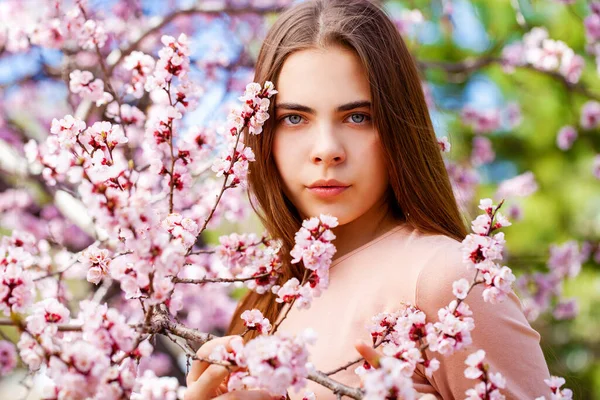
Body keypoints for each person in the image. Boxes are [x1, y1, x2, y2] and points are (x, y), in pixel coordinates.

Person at [185, 0, 552, 399]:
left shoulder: (444, 279)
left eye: (358, 116)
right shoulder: (272, 296)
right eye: (294, 118)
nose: (327, 150)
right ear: (263, 134)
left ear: (397, 126)